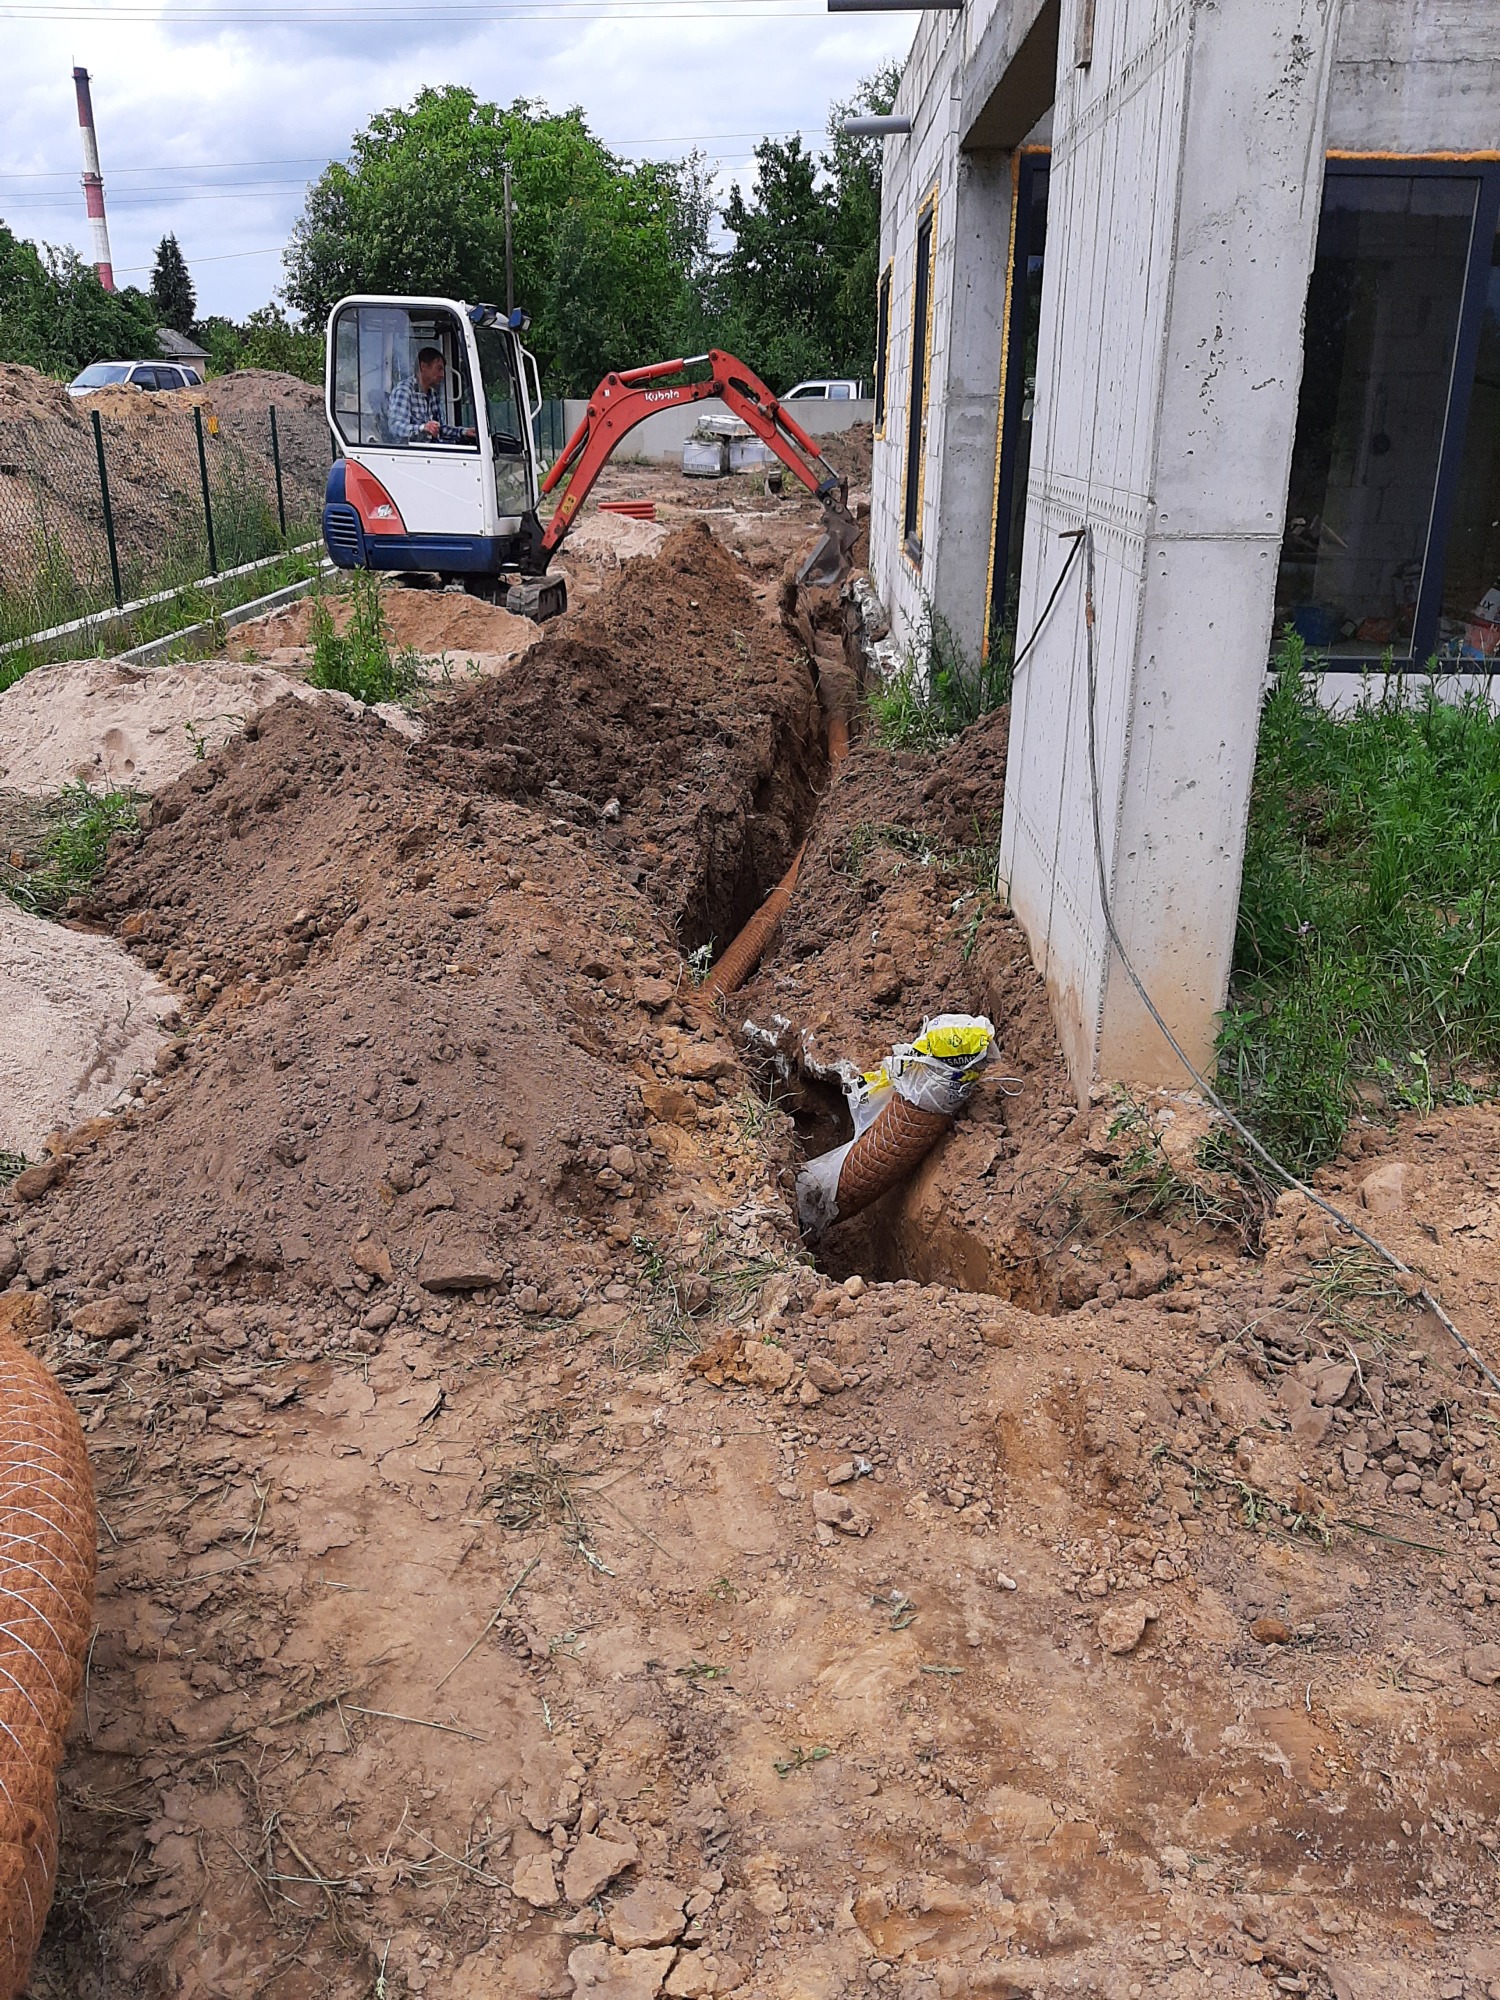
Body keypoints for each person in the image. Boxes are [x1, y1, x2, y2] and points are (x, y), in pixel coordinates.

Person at [386, 345, 476, 445]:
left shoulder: (432, 394)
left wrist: (463, 432)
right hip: (412, 453)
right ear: (423, 367)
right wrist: (422, 428)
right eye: (439, 369)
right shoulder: (404, 391)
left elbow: (439, 429)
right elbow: (395, 427)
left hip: (432, 449)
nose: (442, 375)